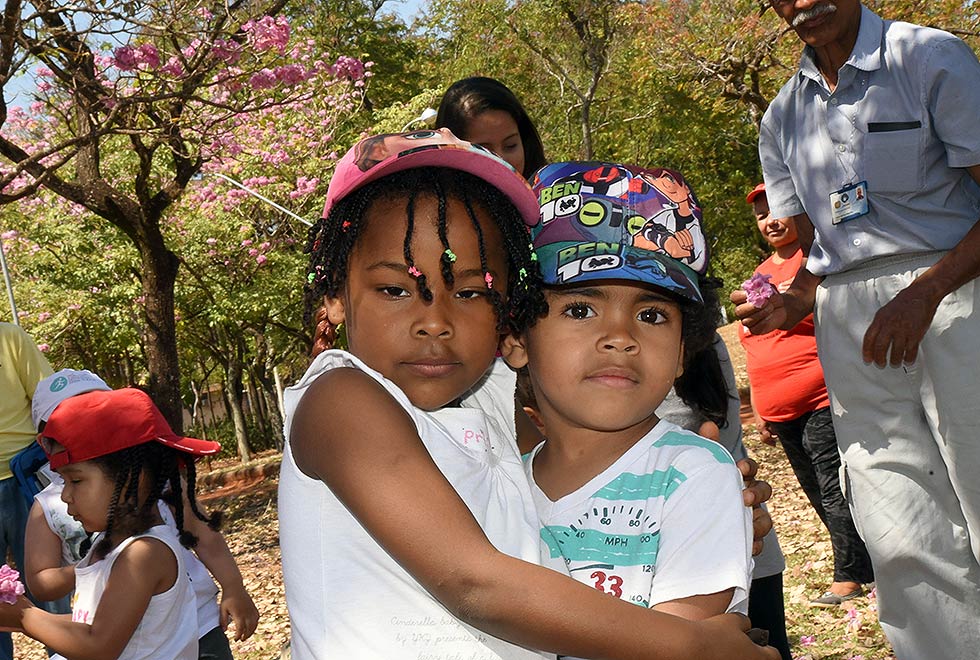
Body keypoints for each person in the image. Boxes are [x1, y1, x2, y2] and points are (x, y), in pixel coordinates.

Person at [280, 129, 778, 659]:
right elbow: (475, 582)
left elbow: (580, 471)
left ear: (505, 317)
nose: (434, 322)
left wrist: (697, 498)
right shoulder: (341, 398)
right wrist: (692, 646)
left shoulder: (487, 404)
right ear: (333, 292)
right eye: (396, 289)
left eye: (471, 292)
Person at [734, 1, 980, 657]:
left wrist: (926, 290)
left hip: (956, 294)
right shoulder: (783, 115)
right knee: (896, 521)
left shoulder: (929, 57)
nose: (801, 4)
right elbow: (814, 251)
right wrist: (790, 303)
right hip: (848, 322)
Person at [502, 160, 752, 624]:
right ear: (516, 338)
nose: (620, 336)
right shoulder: (499, 487)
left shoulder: (694, 476)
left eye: (652, 315)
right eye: (580, 310)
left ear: (682, 351)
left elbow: (680, 644)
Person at [24, 369, 259, 659]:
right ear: (46, 441)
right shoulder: (99, 536)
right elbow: (94, 625)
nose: (90, 428)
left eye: (102, 413)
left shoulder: (144, 551)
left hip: (200, 627)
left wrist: (233, 586)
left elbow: (99, 643)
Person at [740, 183, 873, 607]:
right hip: (779, 410)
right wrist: (760, 407)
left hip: (820, 396)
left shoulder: (816, 263)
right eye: (762, 216)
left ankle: (849, 574)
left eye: (778, 210)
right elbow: (753, 345)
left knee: (835, 486)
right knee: (815, 489)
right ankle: (862, 561)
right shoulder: (758, 275)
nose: (771, 221)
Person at [0, 322, 53, 660]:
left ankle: (67, 652)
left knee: (48, 586)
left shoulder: (9, 337)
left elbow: (48, 399)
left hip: (25, 482)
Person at [436, 76, 547, 179]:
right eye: (485, 151)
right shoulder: (428, 198)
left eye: (510, 146)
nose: (502, 161)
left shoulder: (549, 190)